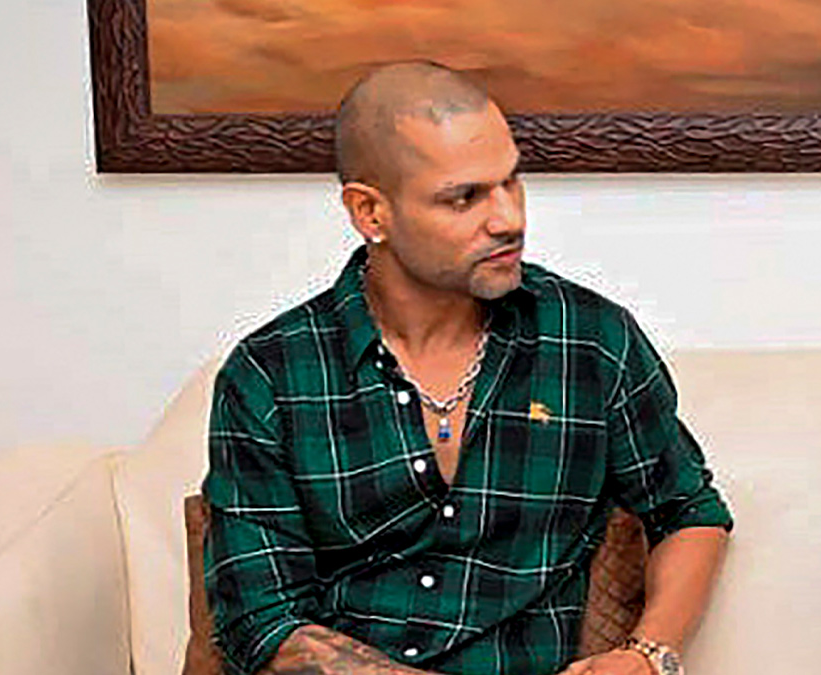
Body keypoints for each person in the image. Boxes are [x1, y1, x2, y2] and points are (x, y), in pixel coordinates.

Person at [202, 61, 733, 675]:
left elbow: (688, 510)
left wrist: (647, 655)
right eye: (464, 198)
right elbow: (261, 621)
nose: (509, 219)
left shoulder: (587, 340)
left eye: (512, 181)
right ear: (370, 212)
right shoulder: (270, 374)